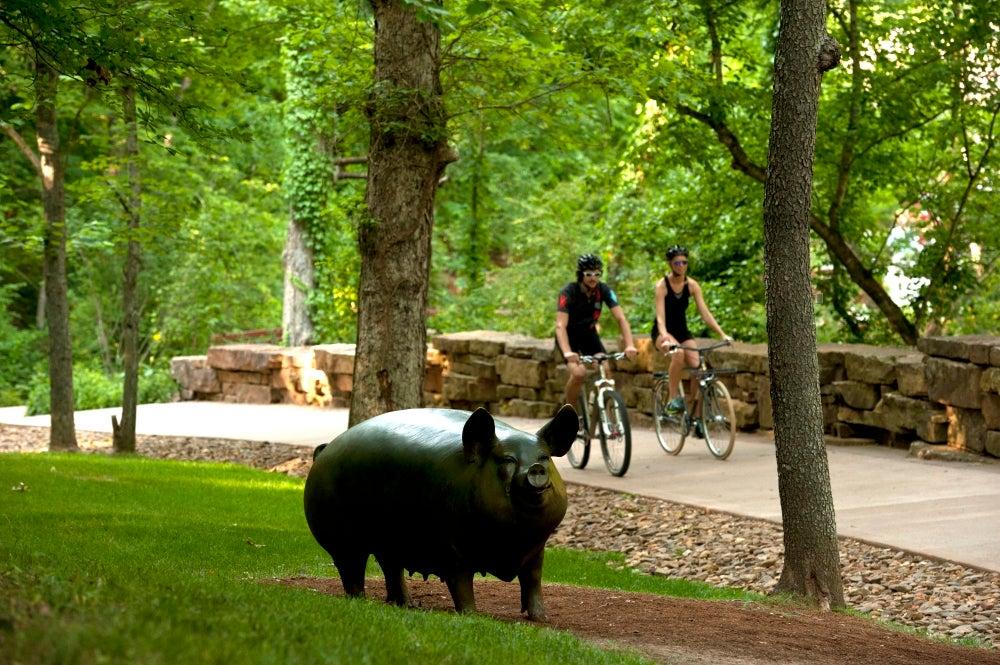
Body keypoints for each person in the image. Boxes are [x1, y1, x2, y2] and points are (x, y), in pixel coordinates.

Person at [651, 245, 732, 430]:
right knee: (678, 354)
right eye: (677, 262)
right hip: (662, 331)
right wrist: (665, 338)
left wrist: (722, 334)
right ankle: (672, 399)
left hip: (682, 331)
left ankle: (696, 418)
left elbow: (705, 313)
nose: (681, 266)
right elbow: (660, 318)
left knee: (699, 367)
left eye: (684, 262)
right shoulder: (662, 286)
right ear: (670, 264)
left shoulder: (692, 285)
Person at [555, 253, 638, 410]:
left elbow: (621, 319)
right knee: (579, 373)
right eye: (588, 274)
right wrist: (567, 352)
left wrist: (629, 345)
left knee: (605, 371)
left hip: (589, 336)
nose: (593, 278)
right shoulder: (568, 292)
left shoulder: (604, 290)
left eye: (597, 274)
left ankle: (600, 414)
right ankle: (570, 414)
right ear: (581, 274)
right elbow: (560, 325)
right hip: (569, 338)